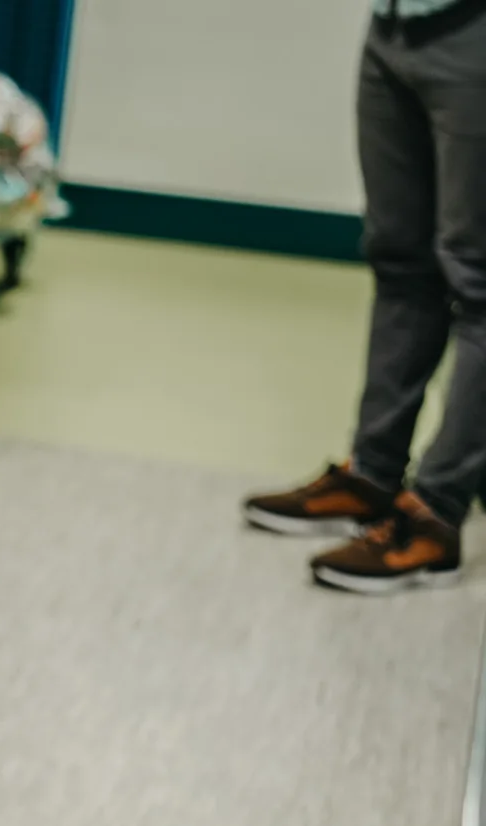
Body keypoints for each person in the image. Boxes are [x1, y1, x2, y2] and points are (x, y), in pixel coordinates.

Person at [243, 0, 486, 593]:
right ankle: (374, 475)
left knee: (478, 281)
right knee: (401, 260)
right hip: (391, 26)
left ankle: (437, 511)